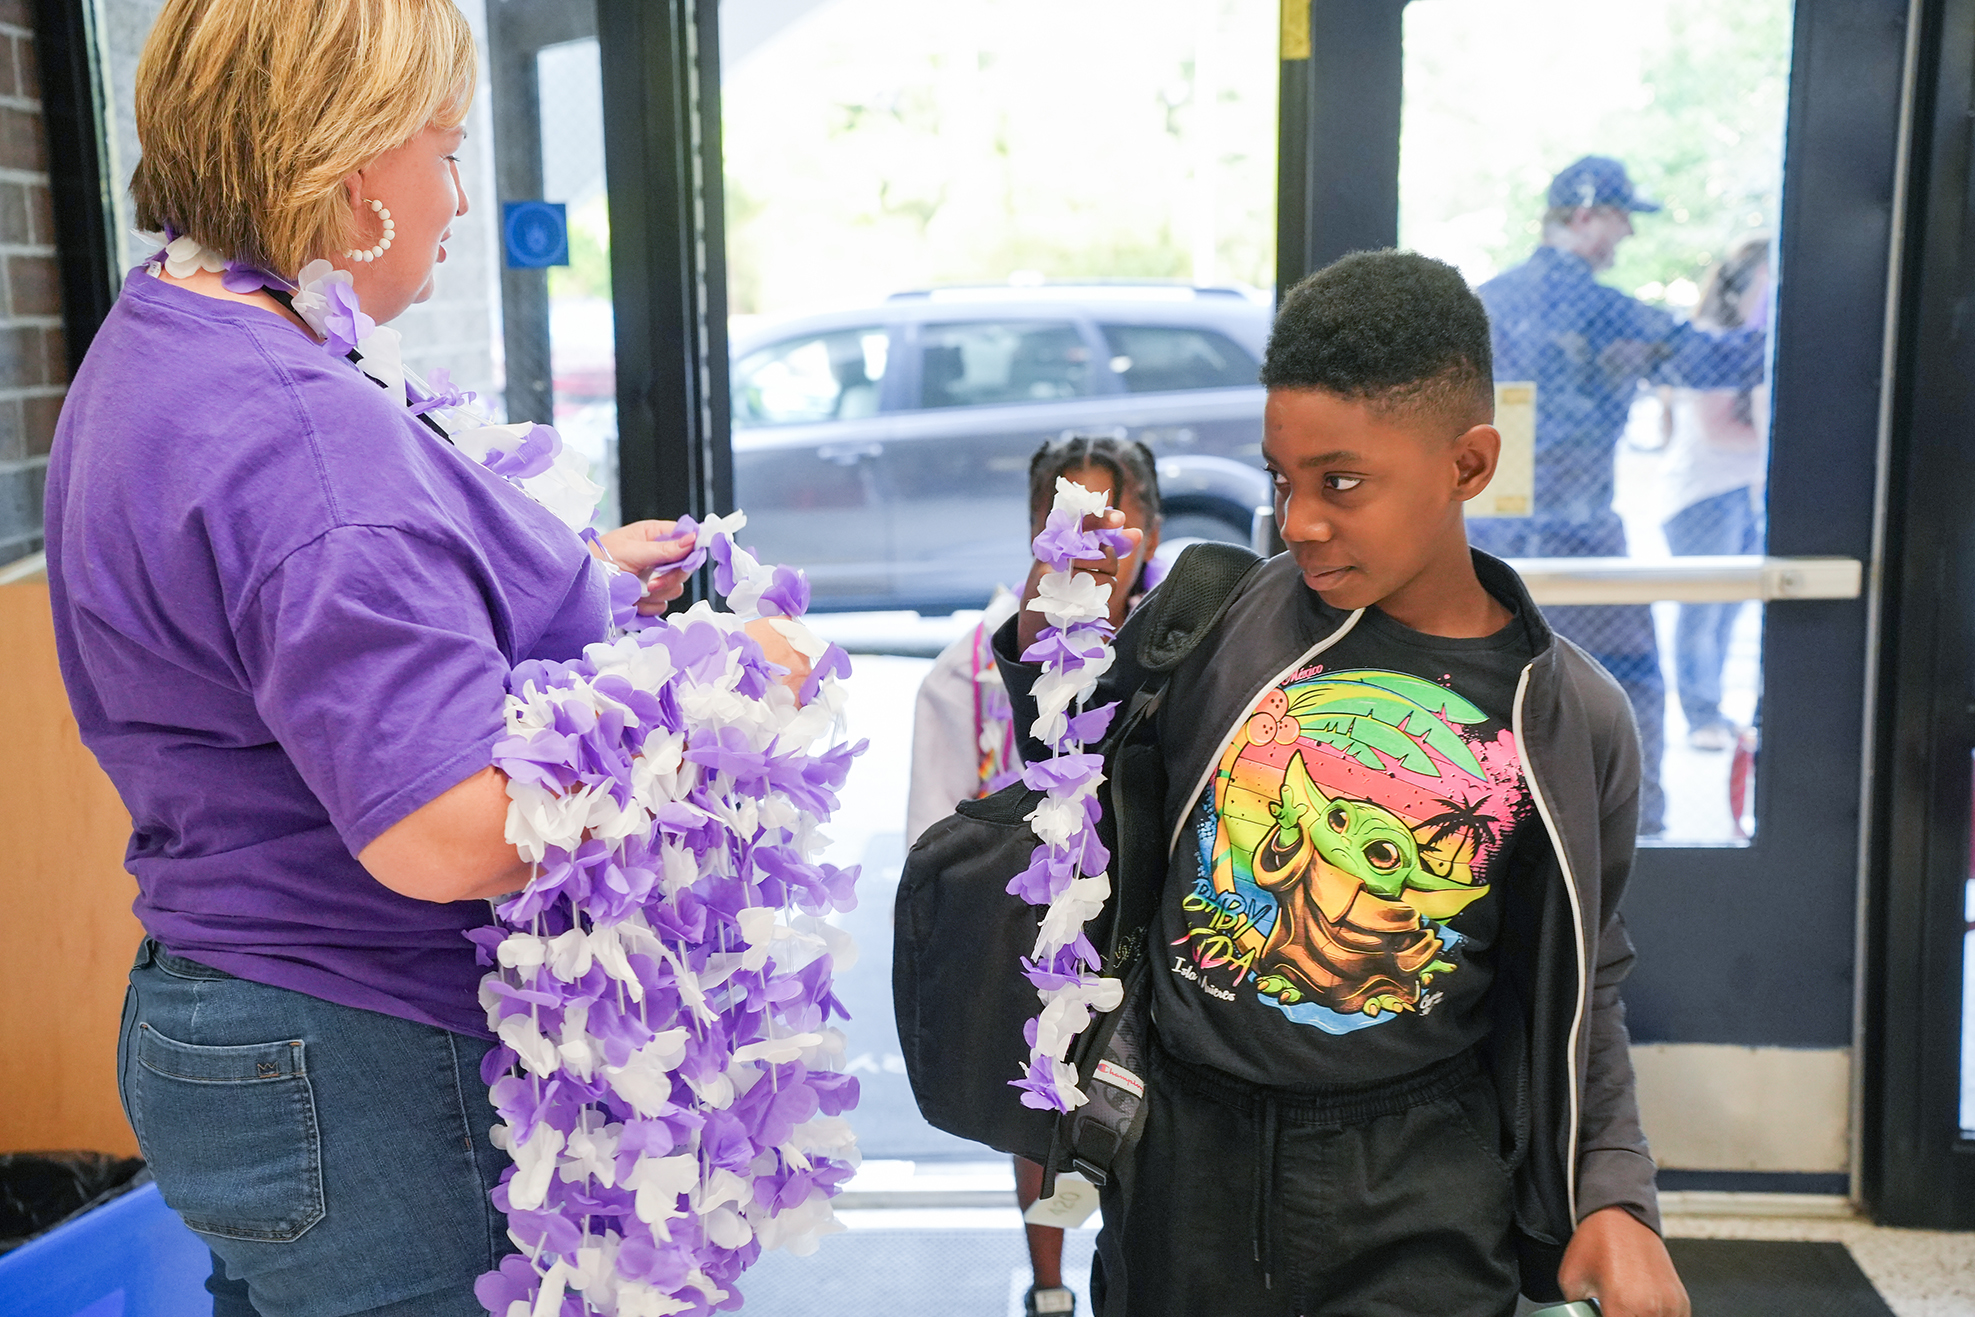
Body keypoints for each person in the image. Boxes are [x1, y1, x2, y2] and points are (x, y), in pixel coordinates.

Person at [41, 3, 805, 1313]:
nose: (458, 198)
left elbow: (286, 621)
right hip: (359, 1060)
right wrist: (724, 696)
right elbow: (444, 833)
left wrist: (560, 580)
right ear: (348, 167)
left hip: (231, 1017)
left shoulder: (175, 332)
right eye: (446, 148)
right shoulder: (305, 434)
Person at [994, 251, 1685, 1316]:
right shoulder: (1219, 621)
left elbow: (1586, 983)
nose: (1299, 520)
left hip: (1415, 1187)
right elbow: (1067, 810)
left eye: (1342, 482)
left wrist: (1613, 1194)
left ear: (1467, 465)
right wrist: (1056, 642)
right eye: (1283, 480)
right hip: (1182, 1163)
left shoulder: (1566, 719)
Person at [905, 433, 1163, 1317]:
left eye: (1105, 527)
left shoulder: (1186, 658)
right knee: (1042, 1110)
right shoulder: (970, 669)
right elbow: (930, 840)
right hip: (1031, 935)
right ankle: (1050, 1285)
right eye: (1061, 525)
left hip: (1154, 941)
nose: (1083, 553)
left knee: (1146, 1121)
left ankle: (1133, 1271)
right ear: (1029, 533)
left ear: (1150, 531)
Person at [1471, 154, 1768, 834]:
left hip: (1483, 545)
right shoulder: (1604, 312)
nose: (1626, 236)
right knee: (1624, 684)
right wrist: (1770, 306)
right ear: (1582, 217)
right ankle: (1638, 830)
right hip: (1581, 543)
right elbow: (1719, 361)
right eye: (1619, 219)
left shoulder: (1479, 306)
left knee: (1483, 695)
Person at [1659, 237, 1771, 751]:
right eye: (1770, 278)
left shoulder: (1750, 342)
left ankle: (1714, 712)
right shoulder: (1714, 342)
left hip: (1737, 491)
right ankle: (1700, 717)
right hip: (1704, 497)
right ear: (1746, 284)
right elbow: (1718, 429)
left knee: (1726, 613)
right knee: (1702, 612)